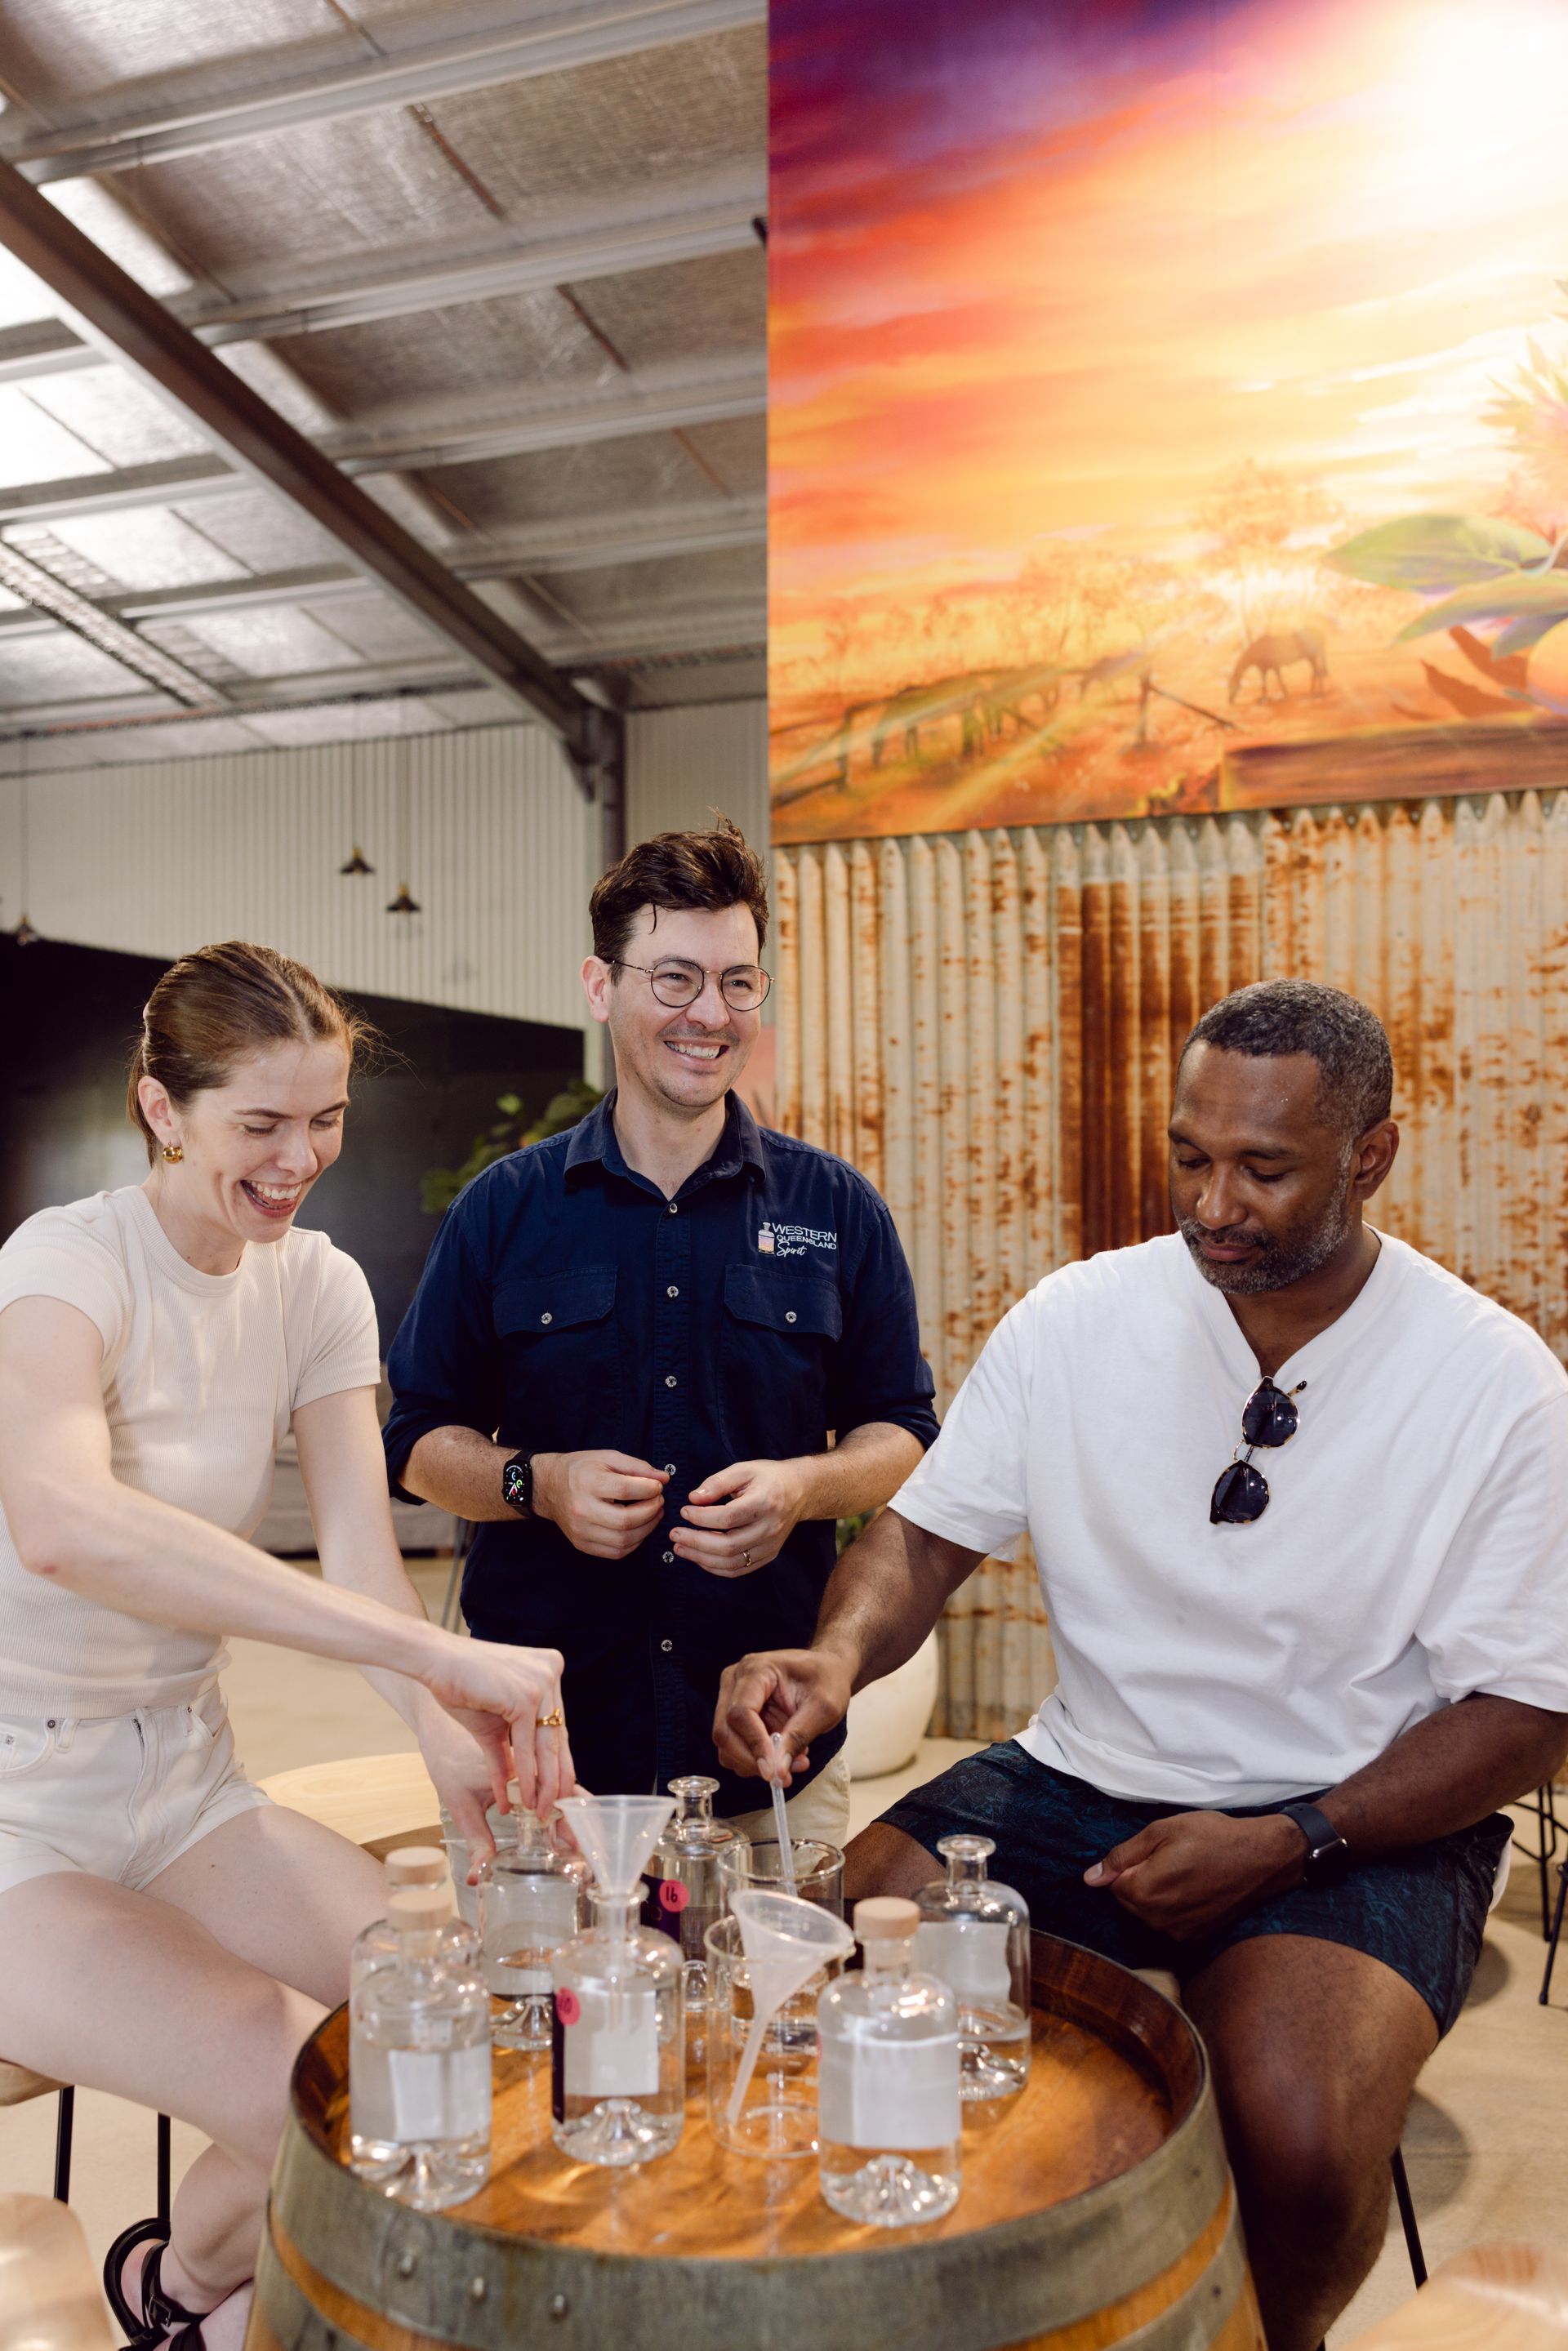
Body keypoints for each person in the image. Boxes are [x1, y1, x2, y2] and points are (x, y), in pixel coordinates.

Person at [712, 979, 1568, 2351]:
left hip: (1360, 1812)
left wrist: (1290, 1833)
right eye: (1189, 1155)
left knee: (1292, 2127)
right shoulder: (1076, 1318)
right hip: (1076, 1776)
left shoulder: (1494, 1381)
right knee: (822, 1988)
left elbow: (1529, 1714)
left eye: (1264, 1167)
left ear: (1373, 1156)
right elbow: (924, 1539)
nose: (1214, 1200)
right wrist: (833, 1653)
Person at [0, 942, 572, 2351]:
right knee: (291, 2074)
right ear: (161, 1107)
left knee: (441, 2040)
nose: (299, 1156)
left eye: (325, 1119)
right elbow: (63, 1522)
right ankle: (206, 2297)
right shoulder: (65, 1264)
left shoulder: (314, 1281)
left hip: (186, 1781)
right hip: (22, 1808)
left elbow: (364, 1555)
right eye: (260, 1123)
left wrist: (449, 1735)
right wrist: (445, 1656)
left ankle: (176, 2291)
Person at [382, 820, 938, 1839]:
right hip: (551, 1761)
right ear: (602, 987)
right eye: (674, 978)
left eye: (738, 981)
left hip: (773, 1756)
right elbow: (417, 1440)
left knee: (777, 1999)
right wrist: (538, 1483)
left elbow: (903, 1431)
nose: (710, 1015)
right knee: (552, 2006)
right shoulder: (503, 1210)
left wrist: (804, 1487)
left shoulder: (838, 1207)